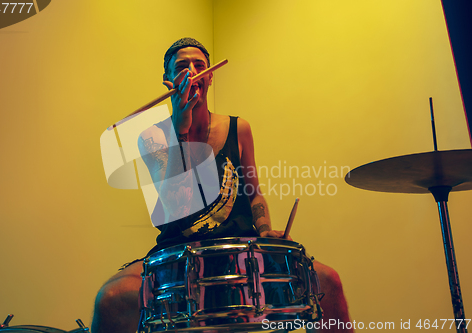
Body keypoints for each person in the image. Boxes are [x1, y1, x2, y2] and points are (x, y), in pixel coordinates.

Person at [92, 37, 352, 333]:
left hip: (243, 249)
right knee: (111, 298)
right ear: (168, 81)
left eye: (199, 65)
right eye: (181, 67)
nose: (192, 71)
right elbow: (175, 205)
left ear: (210, 76)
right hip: (178, 253)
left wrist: (266, 230)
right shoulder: (152, 138)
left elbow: (254, 194)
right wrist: (181, 126)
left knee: (327, 280)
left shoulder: (238, 128)